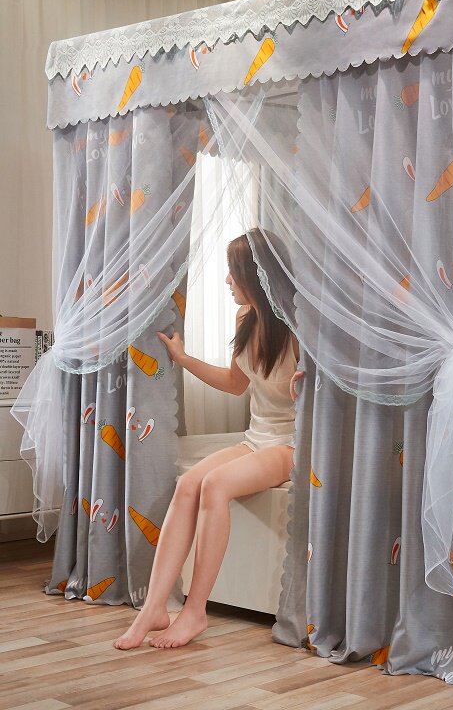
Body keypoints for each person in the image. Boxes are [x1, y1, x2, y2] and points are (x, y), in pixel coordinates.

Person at [114, 230, 305, 649]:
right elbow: (236, 384)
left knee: (215, 485)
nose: (227, 281)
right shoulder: (246, 319)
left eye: (233, 272)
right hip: (257, 438)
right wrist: (183, 359)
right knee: (188, 484)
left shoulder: (299, 329)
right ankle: (154, 607)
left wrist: (310, 386)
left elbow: (333, 390)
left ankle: (195, 611)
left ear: (256, 276)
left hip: (291, 444)